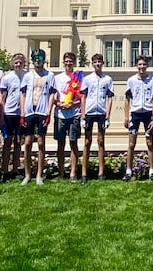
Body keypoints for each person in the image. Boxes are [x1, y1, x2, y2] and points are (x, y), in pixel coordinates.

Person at [20, 49, 56, 185]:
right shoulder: (27, 76)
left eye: (40, 57)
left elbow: (52, 94)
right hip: (29, 111)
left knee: (41, 142)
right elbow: (22, 94)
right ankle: (27, 174)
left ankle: (40, 174)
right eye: (35, 58)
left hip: (42, 111)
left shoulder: (49, 75)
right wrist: (22, 113)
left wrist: (48, 111)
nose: (37, 60)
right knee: (28, 142)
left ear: (44, 59)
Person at [80, 53, 114, 184]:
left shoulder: (108, 79)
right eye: (95, 62)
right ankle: (84, 173)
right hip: (89, 112)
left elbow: (110, 98)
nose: (97, 64)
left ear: (103, 63)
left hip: (101, 113)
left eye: (99, 61)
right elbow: (83, 97)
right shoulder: (87, 79)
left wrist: (108, 116)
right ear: (92, 64)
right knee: (87, 142)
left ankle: (101, 172)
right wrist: (83, 116)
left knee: (101, 142)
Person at [124, 55, 153, 180]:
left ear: (147, 66)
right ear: (136, 66)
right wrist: (126, 117)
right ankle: (128, 170)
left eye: (144, 64)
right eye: (139, 64)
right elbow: (127, 100)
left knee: (150, 143)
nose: (142, 67)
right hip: (135, 114)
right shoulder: (131, 81)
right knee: (131, 144)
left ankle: (152, 170)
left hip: (148, 114)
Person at [53, 52, 83, 182]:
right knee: (60, 144)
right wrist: (58, 104)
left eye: (71, 61)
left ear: (74, 62)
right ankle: (60, 173)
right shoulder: (57, 78)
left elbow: (82, 97)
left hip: (74, 114)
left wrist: (73, 103)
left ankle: (73, 173)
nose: (68, 63)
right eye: (66, 61)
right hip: (60, 114)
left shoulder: (78, 77)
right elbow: (53, 96)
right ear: (63, 62)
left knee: (73, 143)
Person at [0, 53, 27, 180]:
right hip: (9, 113)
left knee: (18, 142)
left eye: (20, 62)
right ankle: (5, 170)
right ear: (13, 64)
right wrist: (0, 115)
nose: (18, 65)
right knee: (7, 142)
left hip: (21, 113)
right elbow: (2, 97)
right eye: (16, 63)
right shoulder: (7, 78)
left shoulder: (27, 76)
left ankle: (15, 169)